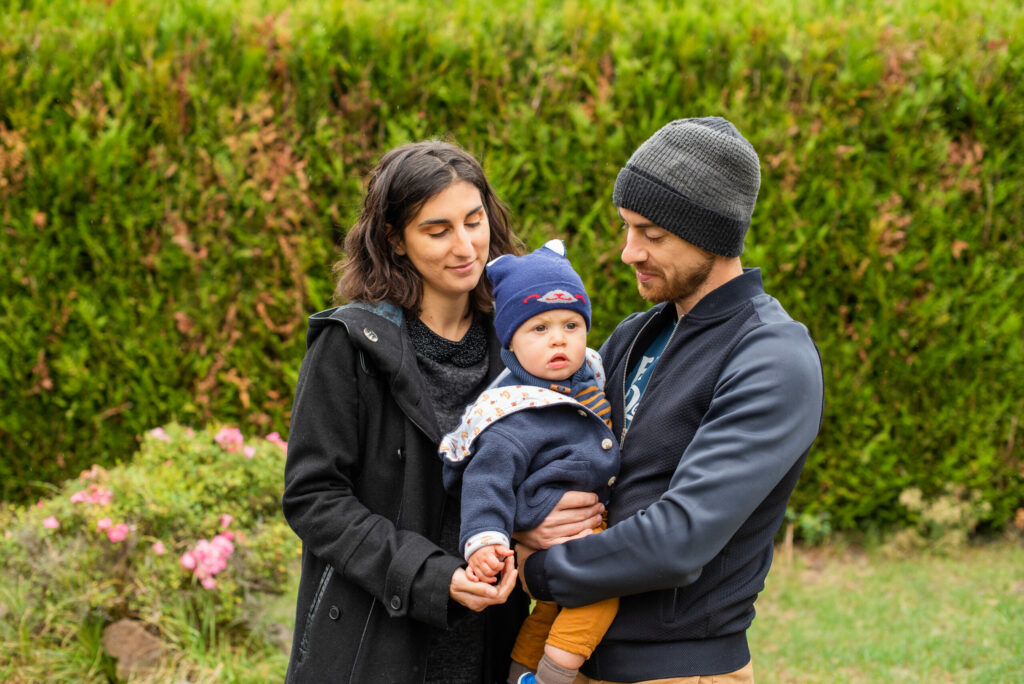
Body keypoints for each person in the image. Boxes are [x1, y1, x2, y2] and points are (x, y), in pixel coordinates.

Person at [517, 117, 825, 683]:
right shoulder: (635, 334)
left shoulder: (773, 358)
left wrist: (538, 570)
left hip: (678, 670)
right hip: (572, 655)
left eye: (652, 234)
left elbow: (679, 541)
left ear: (710, 233)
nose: (627, 251)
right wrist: (526, 521)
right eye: (627, 228)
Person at [282, 141, 601, 684]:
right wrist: (432, 575)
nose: (465, 247)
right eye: (438, 230)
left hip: (491, 642)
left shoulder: (523, 346)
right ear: (393, 239)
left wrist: (530, 526)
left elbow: (541, 467)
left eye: (474, 221)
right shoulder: (350, 346)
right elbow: (314, 499)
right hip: (371, 643)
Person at [439, 240, 620, 684]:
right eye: (538, 329)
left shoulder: (589, 378)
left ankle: (521, 671)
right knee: (604, 593)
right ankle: (556, 676)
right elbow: (487, 483)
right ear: (511, 344)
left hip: (581, 531)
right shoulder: (510, 414)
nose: (559, 338)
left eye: (571, 325)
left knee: (552, 612)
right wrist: (484, 543)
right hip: (551, 538)